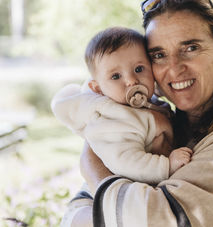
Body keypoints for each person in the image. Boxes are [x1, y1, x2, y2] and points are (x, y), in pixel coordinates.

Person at [63, 0, 213, 227]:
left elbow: (153, 221)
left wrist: (92, 167)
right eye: (159, 55)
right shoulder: (166, 129)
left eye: (191, 48)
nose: (174, 68)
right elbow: (74, 215)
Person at [51, 27, 192, 184]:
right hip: (130, 192)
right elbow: (125, 161)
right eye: (116, 76)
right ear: (98, 88)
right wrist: (167, 165)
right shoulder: (111, 120)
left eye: (139, 69)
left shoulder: (147, 103)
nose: (132, 80)